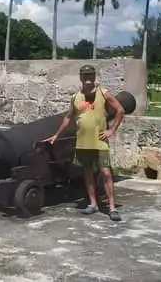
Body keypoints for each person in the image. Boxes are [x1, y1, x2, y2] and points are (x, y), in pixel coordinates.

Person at [45, 64, 125, 221]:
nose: (88, 78)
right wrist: (56, 135)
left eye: (90, 75)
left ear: (94, 77)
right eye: (85, 75)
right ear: (81, 78)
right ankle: (93, 204)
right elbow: (68, 117)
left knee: (106, 173)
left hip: (99, 141)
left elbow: (120, 110)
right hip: (83, 142)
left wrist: (112, 130)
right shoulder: (75, 97)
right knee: (87, 173)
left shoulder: (103, 93)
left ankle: (112, 207)